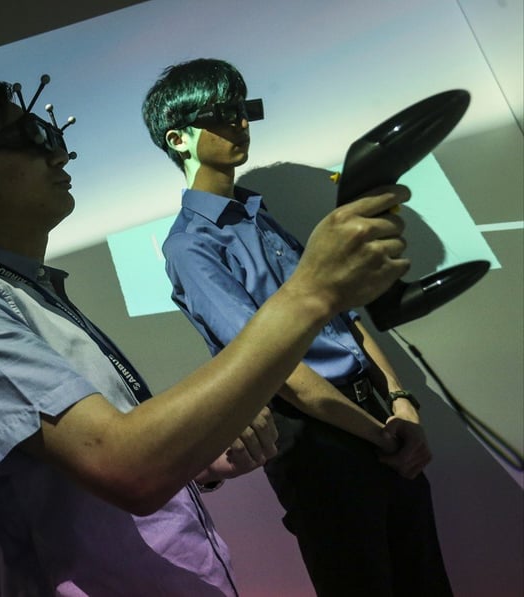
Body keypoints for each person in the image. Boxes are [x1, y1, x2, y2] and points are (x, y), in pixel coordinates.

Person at [0, 76, 411, 596]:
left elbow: (104, 465)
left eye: (54, 136)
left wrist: (205, 456)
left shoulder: (32, 293)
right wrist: (310, 294)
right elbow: (123, 466)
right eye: (33, 137)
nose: (59, 155)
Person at [142, 58, 452, 596]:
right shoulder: (191, 245)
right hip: (317, 442)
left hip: (374, 416)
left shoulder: (258, 215)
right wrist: (380, 432)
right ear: (178, 138)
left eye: (244, 110)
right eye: (222, 114)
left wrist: (400, 400)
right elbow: (273, 367)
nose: (241, 123)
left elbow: (342, 312)